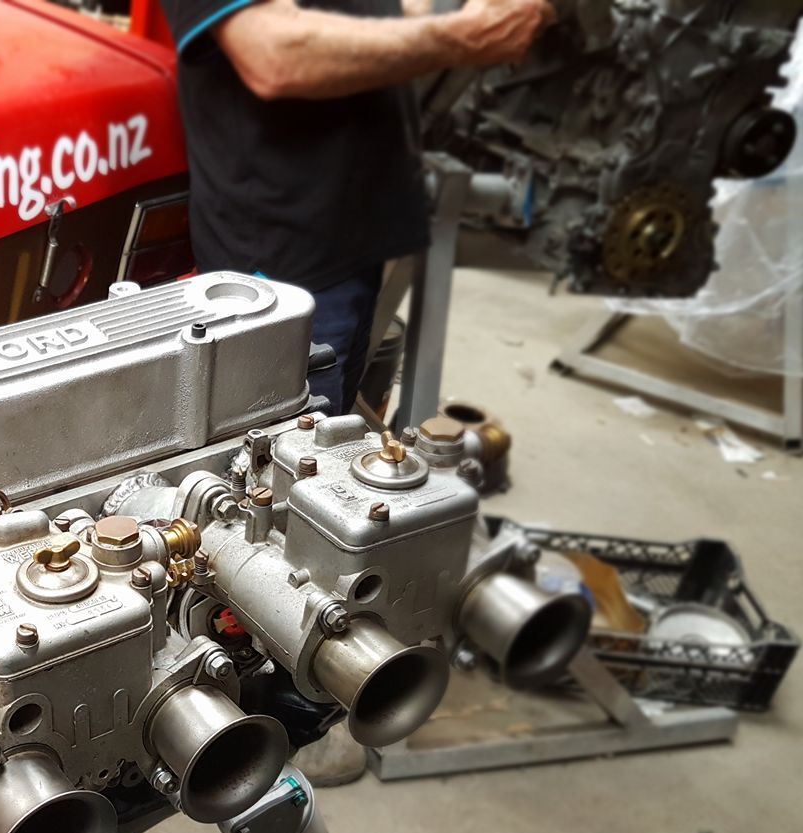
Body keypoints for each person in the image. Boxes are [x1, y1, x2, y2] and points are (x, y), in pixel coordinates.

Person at [158, 0, 552, 783]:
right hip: (285, 256)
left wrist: (440, 15)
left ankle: (324, 680)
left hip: (356, 238)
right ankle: (299, 707)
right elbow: (273, 54)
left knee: (340, 461)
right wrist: (459, 35)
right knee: (283, 498)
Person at [158, 0, 553, 417]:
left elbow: (384, 10)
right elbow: (275, 54)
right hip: (283, 272)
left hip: (351, 249)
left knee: (335, 435)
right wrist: (466, 34)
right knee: (283, 465)